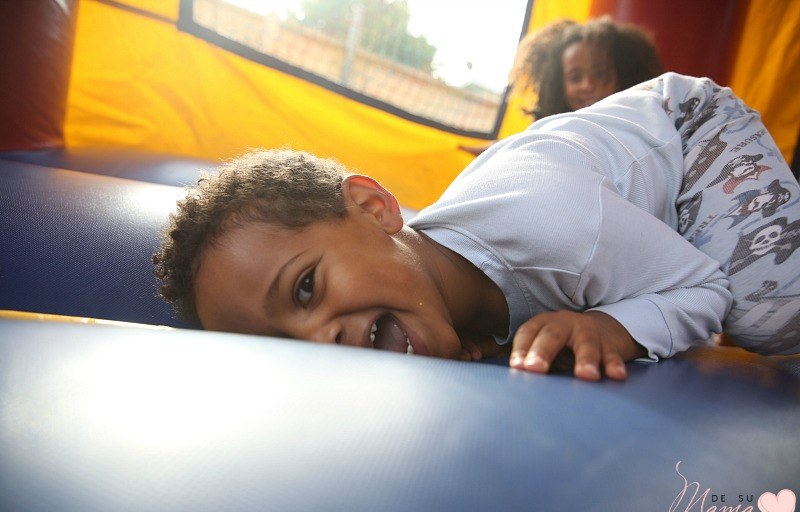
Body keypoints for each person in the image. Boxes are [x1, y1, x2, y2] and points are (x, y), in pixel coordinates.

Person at [154, 73, 800, 382]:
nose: (318, 341)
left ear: (375, 209)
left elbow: (703, 288)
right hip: (600, 199)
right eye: (285, 348)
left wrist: (617, 327)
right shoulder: (424, 297)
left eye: (304, 288)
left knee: (770, 310)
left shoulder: (558, 229)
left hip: (689, 134)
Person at [460, 16, 663, 156]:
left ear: (624, 74)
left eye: (600, 74)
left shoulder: (641, 130)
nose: (587, 85)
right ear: (558, 86)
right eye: (575, 78)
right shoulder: (558, 130)